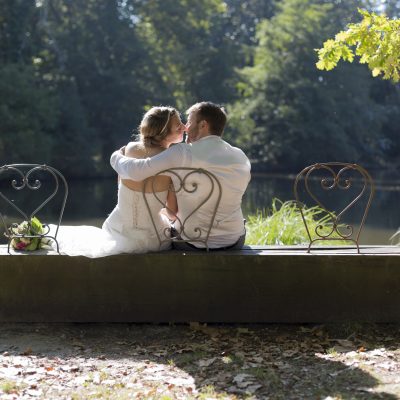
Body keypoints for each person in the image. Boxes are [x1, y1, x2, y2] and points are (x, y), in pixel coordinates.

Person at [110, 101, 251, 250]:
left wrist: (116, 156)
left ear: (203, 125)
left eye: (189, 121)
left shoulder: (182, 152)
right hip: (234, 241)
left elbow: (136, 171)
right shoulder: (240, 156)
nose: (185, 127)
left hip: (192, 242)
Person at [52, 106, 185, 257]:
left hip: (119, 231)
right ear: (163, 131)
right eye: (178, 125)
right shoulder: (172, 160)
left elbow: (120, 190)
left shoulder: (129, 149)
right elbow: (173, 214)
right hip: (153, 238)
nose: (184, 127)